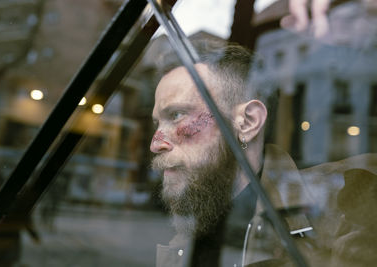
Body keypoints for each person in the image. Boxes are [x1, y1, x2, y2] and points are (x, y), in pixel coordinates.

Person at [150, 40, 377, 267]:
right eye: (157, 123)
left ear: (248, 122)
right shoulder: (199, 219)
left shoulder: (345, 209)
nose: (155, 144)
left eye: (177, 115)